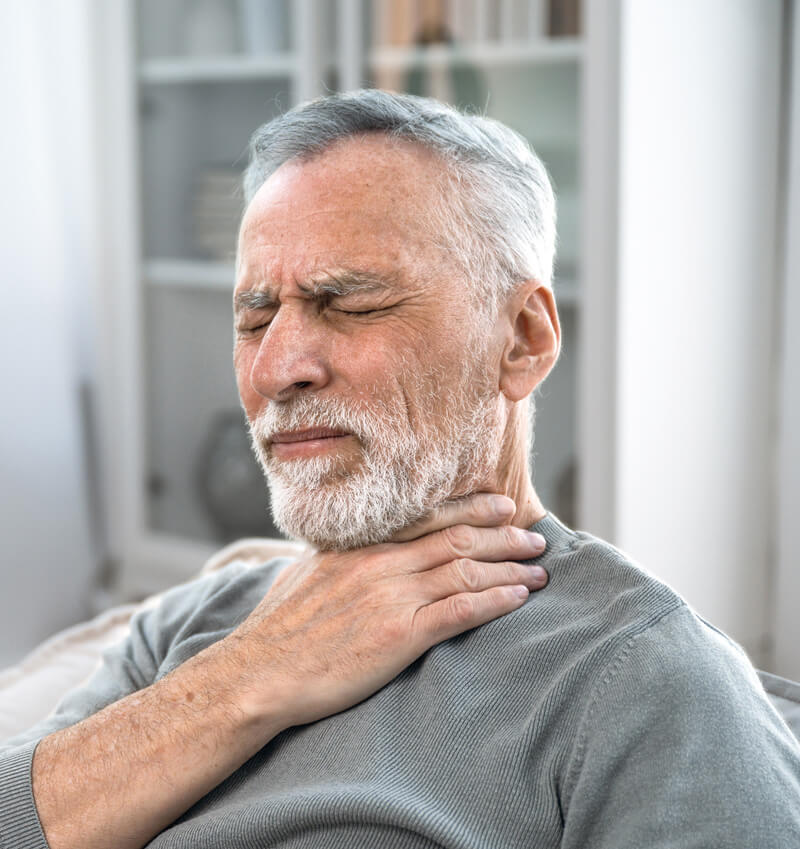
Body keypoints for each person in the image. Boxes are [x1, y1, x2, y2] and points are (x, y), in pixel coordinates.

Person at [1, 90, 799, 849]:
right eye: (254, 317)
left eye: (350, 303)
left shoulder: (641, 678)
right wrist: (250, 676)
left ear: (521, 338)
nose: (278, 367)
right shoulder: (191, 624)